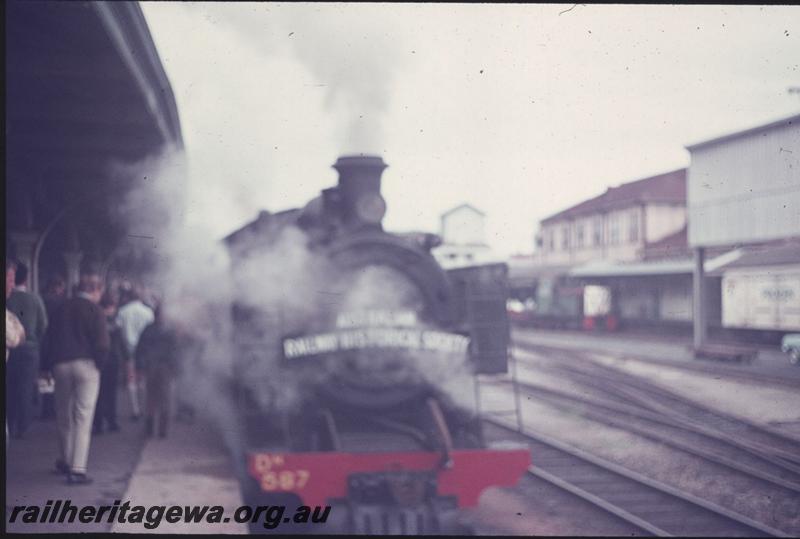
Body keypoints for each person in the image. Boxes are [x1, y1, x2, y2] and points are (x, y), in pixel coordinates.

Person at [41, 271, 109, 485]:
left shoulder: (61, 307)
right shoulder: (96, 310)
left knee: (63, 414)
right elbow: (102, 343)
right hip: (86, 365)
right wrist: (99, 365)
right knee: (83, 416)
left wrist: (45, 366)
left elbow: (48, 338)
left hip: (60, 365)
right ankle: (78, 469)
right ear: (95, 290)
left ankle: (65, 459)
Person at [6, 262, 48, 439]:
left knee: (9, 385)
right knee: (26, 386)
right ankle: (23, 425)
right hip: (30, 348)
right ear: (26, 278)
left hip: (10, 347)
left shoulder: (8, 298)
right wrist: (35, 339)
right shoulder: (35, 299)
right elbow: (43, 325)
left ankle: (10, 421)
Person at [135, 303, 180, 438]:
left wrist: (139, 367)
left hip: (151, 367)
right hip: (165, 368)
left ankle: (149, 429)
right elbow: (175, 351)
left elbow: (140, 349)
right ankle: (162, 431)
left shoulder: (148, 329)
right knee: (165, 399)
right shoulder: (170, 330)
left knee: (151, 398)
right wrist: (176, 368)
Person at [116, 285, 154, 421]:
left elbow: (118, 328)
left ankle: (135, 410)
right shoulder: (148, 312)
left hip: (129, 349)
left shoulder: (123, 311)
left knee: (131, 379)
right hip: (145, 350)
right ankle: (145, 407)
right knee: (143, 379)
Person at [92, 294, 127, 434]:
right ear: (112, 307)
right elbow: (122, 343)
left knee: (99, 392)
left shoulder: (96, 321)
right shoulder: (117, 322)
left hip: (99, 359)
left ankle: (98, 423)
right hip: (113, 359)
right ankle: (112, 420)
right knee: (111, 392)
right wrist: (127, 359)